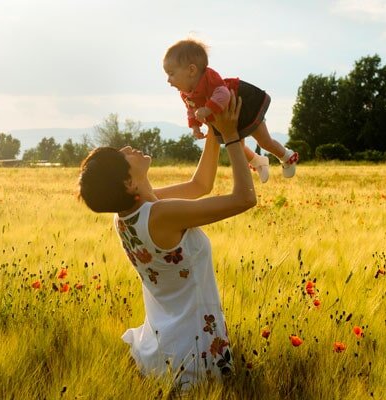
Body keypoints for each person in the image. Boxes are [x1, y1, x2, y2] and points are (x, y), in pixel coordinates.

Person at [78, 91, 256, 391]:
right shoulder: (160, 214)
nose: (127, 148)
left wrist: (213, 129)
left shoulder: (129, 215)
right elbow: (244, 198)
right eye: (121, 156)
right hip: (194, 353)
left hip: (166, 346)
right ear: (129, 182)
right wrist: (232, 136)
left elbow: (201, 185)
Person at [163, 38, 299, 183]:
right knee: (235, 146)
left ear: (191, 70)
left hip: (243, 104)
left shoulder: (209, 77)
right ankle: (258, 161)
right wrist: (195, 126)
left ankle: (287, 157)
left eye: (171, 73)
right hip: (225, 115)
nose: (168, 80)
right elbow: (190, 109)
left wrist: (207, 109)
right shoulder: (185, 93)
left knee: (264, 141)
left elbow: (223, 94)